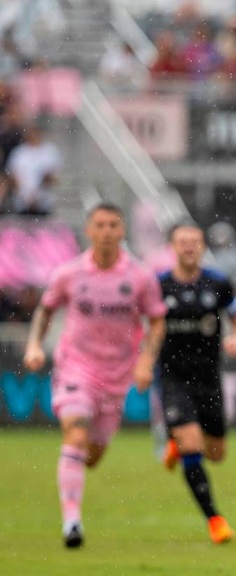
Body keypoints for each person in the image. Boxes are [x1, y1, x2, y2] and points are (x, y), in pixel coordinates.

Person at [22, 202, 167, 549]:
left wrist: (146, 361)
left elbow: (157, 320)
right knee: (75, 433)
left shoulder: (139, 277)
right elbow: (46, 310)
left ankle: (70, 477)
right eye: (99, 225)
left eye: (113, 225)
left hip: (116, 374)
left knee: (93, 454)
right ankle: (72, 521)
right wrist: (34, 345)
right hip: (76, 366)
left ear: (122, 231)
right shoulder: (69, 274)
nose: (106, 232)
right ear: (88, 230)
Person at [157, 221, 236, 544]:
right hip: (173, 377)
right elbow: (145, 324)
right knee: (192, 445)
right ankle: (215, 520)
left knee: (216, 453)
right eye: (182, 241)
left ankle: (176, 441)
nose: (188, 246)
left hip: (208, 378)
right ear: (172, 246)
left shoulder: (218, 284)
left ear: (202, 246)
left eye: (194, 241)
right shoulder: (159, 286)